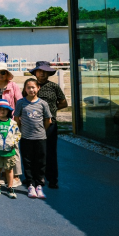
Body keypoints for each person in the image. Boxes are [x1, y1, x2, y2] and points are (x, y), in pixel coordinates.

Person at [30, 61, 67, 189]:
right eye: (40, 71)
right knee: (34, 152)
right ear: (35, 72)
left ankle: (52, 179)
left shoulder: (54, 86)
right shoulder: (31, 85)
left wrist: (51, 110)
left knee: (50, 152)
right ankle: (34, 178)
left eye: (45, 71)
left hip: (50, 124)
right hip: (33, 124)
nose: (42, 74)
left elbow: (63, 103)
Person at [15, 78, 51, 199]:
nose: (31, 89)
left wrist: (42, 131)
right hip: (26, 137)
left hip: (40, 137)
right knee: (27, 161)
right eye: (28, 87)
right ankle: (30, 184)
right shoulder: (21, 102)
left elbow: (48, 120)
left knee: (40, 161)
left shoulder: (43, 103)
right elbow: (16, 119)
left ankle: (39, 184)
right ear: (25, 89)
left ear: (38, 88)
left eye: (33, 87)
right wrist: (20, 132)